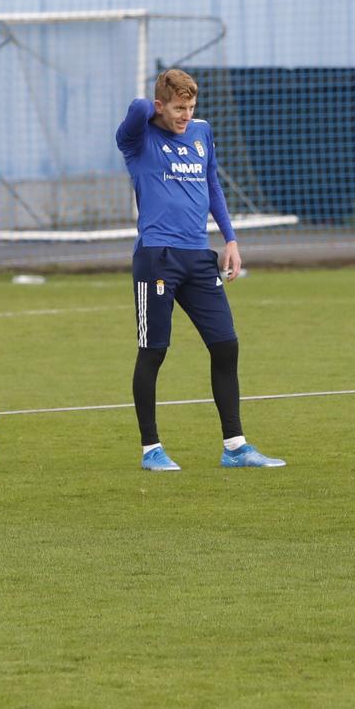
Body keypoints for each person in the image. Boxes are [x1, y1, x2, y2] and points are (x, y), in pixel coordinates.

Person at [116, 68, 285, 471]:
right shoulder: (138, 138)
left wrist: (230, 240)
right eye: (178, 108)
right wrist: (156, 108)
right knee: (153, 351)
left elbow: (212, 185)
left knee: (226, 344)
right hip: (157, 257)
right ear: (160, 106)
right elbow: (138, 107)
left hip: (198, 256)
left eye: (191, 107)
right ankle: (151, 449)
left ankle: (235, 446)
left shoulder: (201, 132)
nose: (185, 116)